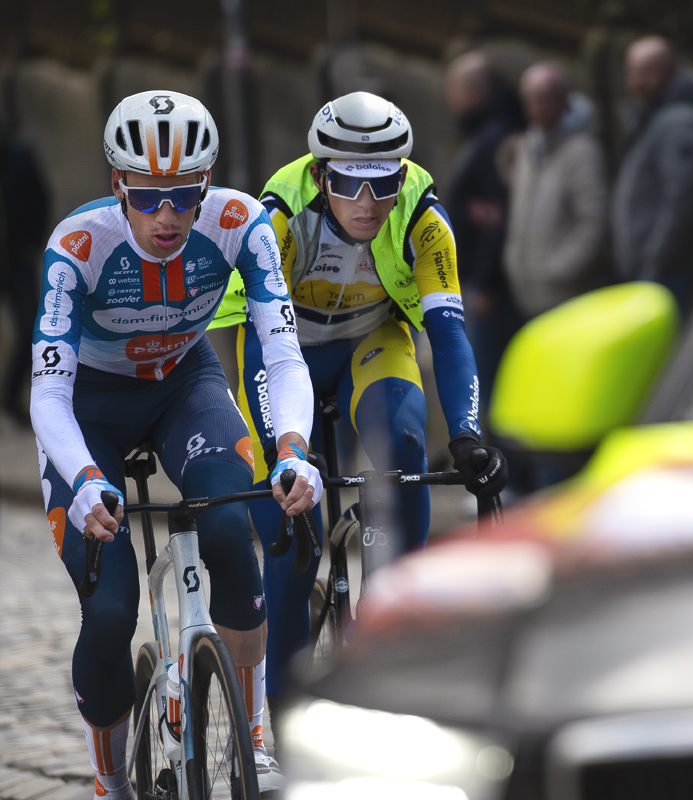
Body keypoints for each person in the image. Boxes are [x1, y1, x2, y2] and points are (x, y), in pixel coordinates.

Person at [31, 91, 321, 798]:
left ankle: (254, 738)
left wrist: (292, 447)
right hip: (89, 406)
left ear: (207, 185)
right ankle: (110, 783)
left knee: (231, 532)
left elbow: (282, 352)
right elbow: (48, 393)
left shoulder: (239, 223)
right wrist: (86, 478)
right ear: (118, 186)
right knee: (109, 611)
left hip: (184, 385)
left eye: (186, 196)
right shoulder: (77, 247)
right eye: (147, 197)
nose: (168, 217)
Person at [211, 91, 508, 711]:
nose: (369, 203)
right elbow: (260, 344)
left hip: (371, 344)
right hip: (283, 351)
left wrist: (467, 435)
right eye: (350, 183)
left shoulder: (423, 219)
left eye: (384, 183)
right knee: (293, 542)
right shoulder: (279, 217)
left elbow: (448, 333)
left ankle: (397, 613)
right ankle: (283, 715)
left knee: (403, 443)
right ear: (322, 176)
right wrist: (286, 452)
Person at [612, 36, 693, 318]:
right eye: (632, 72)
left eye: (646, 73)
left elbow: (686, 196)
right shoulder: (654, 116)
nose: (636, 82)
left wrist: (656, 258)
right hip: (655, 268)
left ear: (670, 71)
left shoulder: (680, 123)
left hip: (671, 270)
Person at [444, 51, 525, 413]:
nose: (450, 98)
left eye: (454, 89)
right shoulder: (486, 132)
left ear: (473, 91)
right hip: (482, 282)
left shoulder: (496, 137)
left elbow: (497, 216)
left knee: (491, 383)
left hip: (491, 289)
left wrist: (488, 283)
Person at [504, 61, 608, 320]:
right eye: (531, 100)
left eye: (545, 100)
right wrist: (513, 260)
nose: (538, 109)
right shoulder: (529, 145)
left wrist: (558, 271)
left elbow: (594, 223)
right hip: (528, 294)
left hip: (565, 297)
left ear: (564, 100)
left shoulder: (582, 152)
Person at [0, 126, 50, 422]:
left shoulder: (18, 155)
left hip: (17, 258)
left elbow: (40, 199)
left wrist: (33, 243)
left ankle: (12, 397)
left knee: (31, 327)